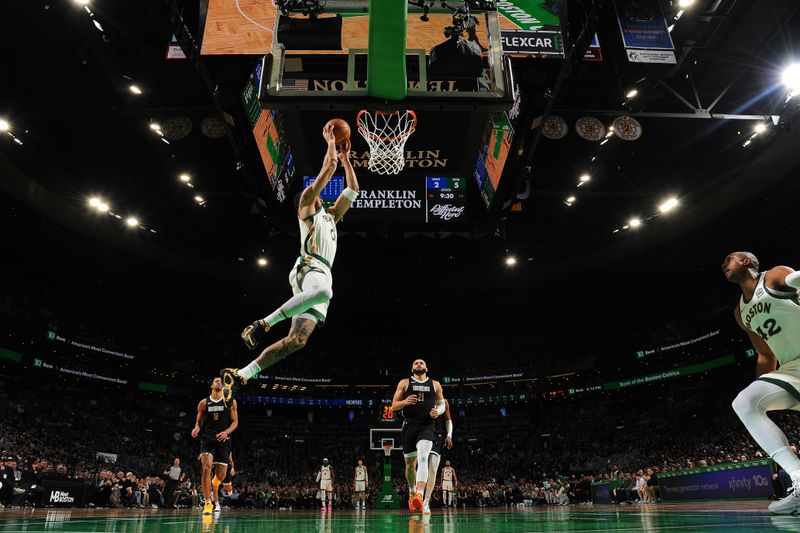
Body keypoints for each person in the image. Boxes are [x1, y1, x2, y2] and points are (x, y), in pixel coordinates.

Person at [221, 123, 360, 398]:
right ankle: (264, 323)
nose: (321, 192)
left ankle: (241, 374)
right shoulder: (307, 204)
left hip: (322, 271)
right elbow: (328, 167)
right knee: (324, 291)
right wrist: (331, 142)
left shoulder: (331, 216)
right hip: (309, 267)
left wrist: (347, 159)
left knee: (297, 341)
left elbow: (353, 188)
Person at [725, 252, 800, 514]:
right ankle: (799, 480)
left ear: (747, 262)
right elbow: (766, 354)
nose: (724, 264)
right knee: (745, 402)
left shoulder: (775, 275)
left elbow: (795, 279)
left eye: (730, 259)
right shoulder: (740, 312)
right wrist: (763, 397)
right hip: (793, 368)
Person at [390, 359, 445, 512]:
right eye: (416, 363)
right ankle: (412, 490)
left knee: (423, 457)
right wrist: (405, 401)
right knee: (409, 466)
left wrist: (438, 412)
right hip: (409, 425)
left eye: (421, 363)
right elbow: (394, 405)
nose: (419, 364)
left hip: (427, 425)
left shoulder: (435, 384)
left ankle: (419, 495)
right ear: (412, 368)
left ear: (426, 368)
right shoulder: (404, 383)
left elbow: (442, 404)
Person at [191, 377, 238, 515]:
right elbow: (198, 422)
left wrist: (226, 432)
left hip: (224, 439)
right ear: (211, 385)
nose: (219, 382)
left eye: (221, 381)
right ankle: (207, 503)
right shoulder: (203, 403)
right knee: (206, 468)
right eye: (216, 380)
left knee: (221, 475)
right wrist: (196, 428)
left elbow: (235, 422)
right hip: (208, 438)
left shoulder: (230, 402)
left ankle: (215, 484)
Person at [423, 399, 453, 513]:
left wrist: (449, 435)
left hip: (438, 436)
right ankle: (418, 494)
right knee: (421, 465)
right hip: (424, 433)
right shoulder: (424, 398)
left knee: (433, 469)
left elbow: (448, 420)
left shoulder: (444, 402)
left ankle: (426, 501)